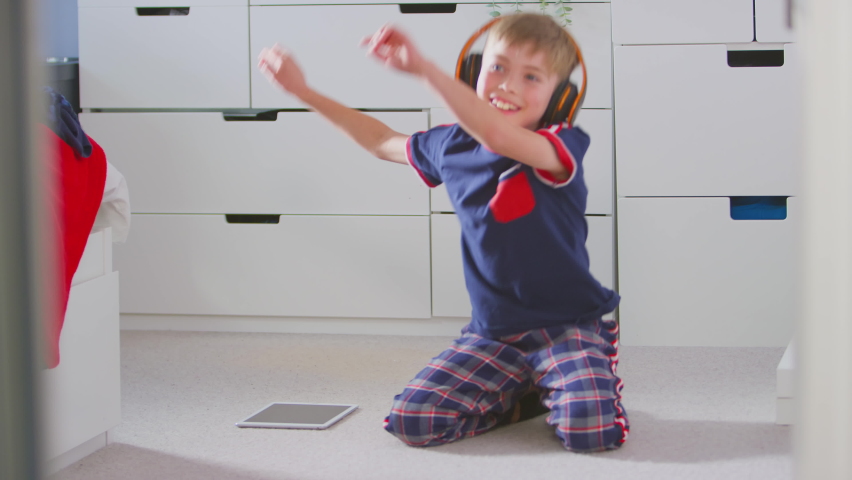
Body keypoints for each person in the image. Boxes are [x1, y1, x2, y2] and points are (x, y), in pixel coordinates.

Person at [257, 12, 628, 453]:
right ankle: (524, 395)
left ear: (559, 96)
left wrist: (423, 69)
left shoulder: (559, 144)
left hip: (569, 325)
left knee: (591, 433)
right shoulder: (450, 146)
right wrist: (303, 92)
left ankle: (577, 376)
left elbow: (495, 135)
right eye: (497, 67)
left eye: (532, 77)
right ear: (474, 72)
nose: (508, 85)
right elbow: (380, 141)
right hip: (495, 331)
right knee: (413, 422)